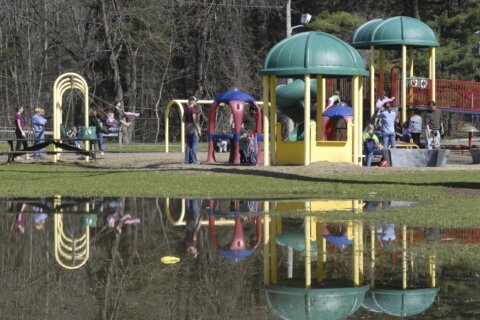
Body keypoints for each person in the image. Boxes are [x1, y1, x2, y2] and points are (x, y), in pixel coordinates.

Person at [184, 96, 201, 164]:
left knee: (188, 145)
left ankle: (187, 160)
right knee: (195, 144)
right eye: (195, 101)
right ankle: (194, 160)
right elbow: (194, 120)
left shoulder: (186, 109)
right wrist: (198, 129)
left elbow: (183, 119)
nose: (196, 102)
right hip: (193, 129)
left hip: (187, 128)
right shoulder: (193, 110)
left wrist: (187, 125)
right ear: (193, 101)